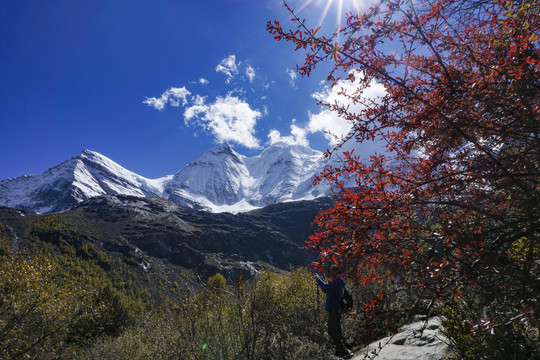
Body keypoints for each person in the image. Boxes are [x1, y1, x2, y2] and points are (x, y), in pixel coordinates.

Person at [316, 264, 353, 359]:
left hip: (334, 310)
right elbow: (327, 290)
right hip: (336, 310)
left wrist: (318, 279)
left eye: (333, 271)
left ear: (337, 272)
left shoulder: (336, 282)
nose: (331, 273)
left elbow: (324, 287)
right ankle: (340, 350)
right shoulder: (338, 281)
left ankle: (343, 350)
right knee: (336, 330)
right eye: (331, 271)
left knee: (332, 331)